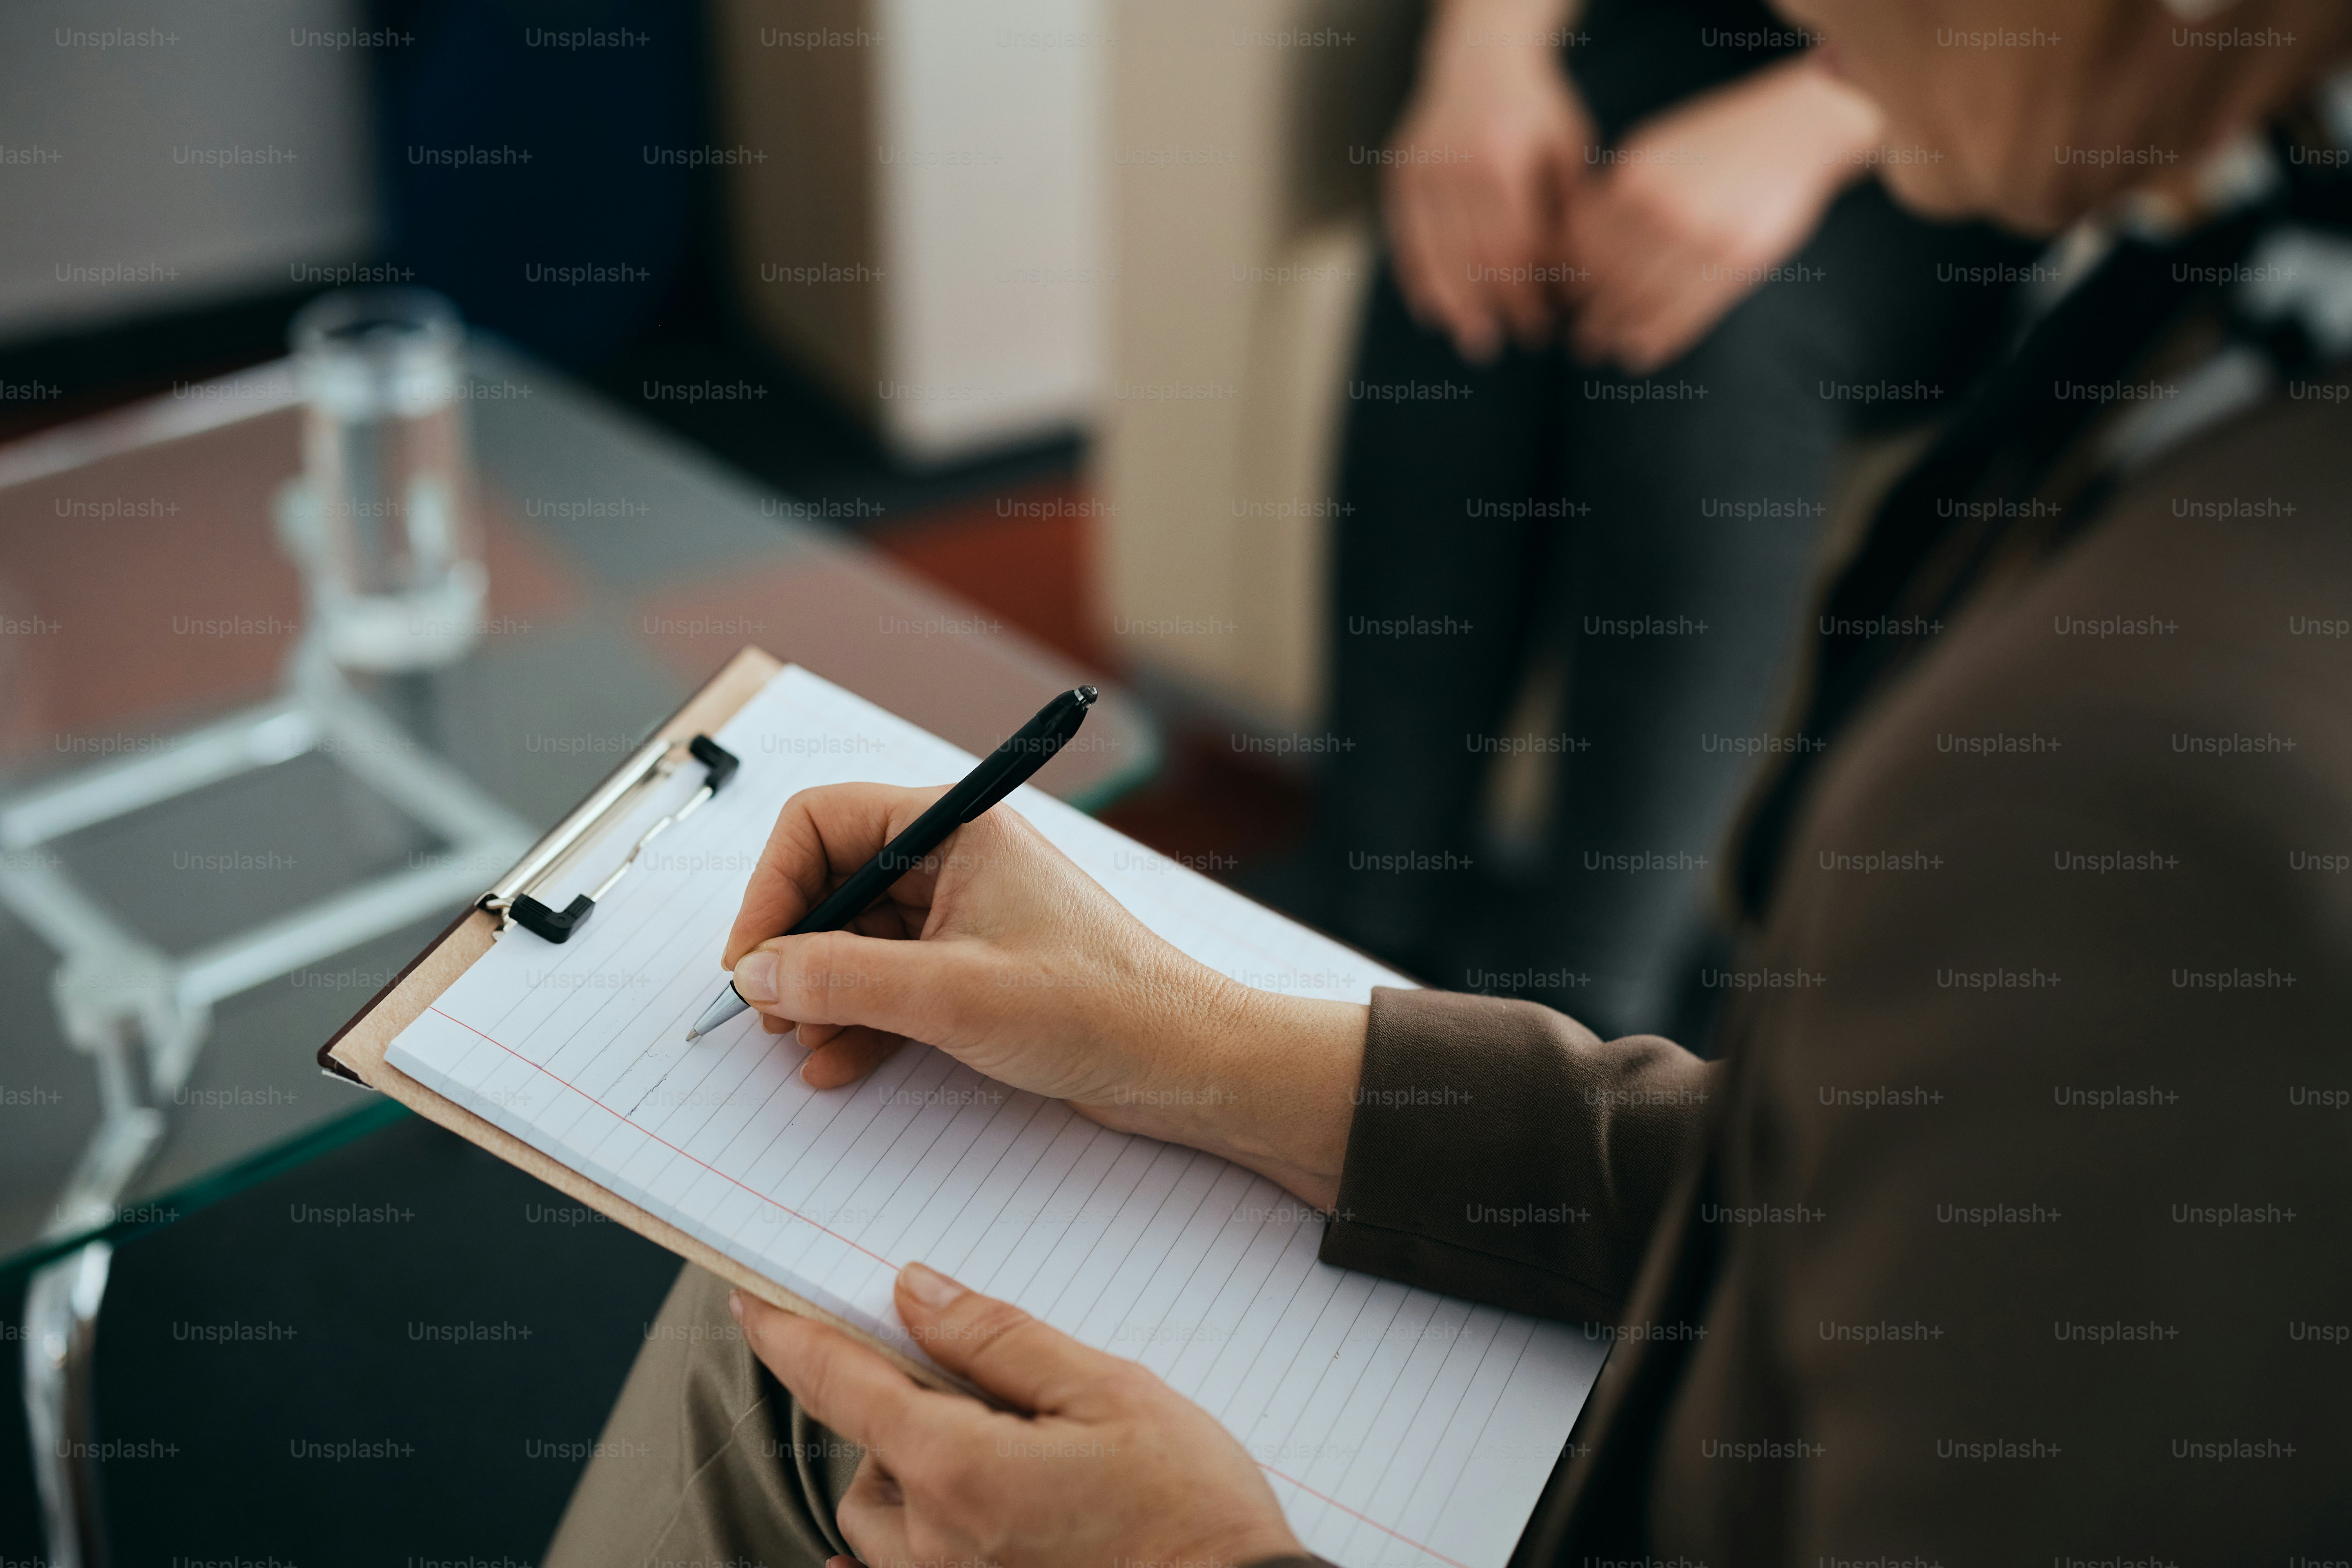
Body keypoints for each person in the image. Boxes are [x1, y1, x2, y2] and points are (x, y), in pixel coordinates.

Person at [546, 1, 2352, 1563]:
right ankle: (1379, 892)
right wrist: (1188, 1032)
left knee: (775, 1360)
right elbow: (1810, 1190)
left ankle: (1561, 937)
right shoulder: (2234, 364)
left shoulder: (2139, 790)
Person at [1305, 0, 2040, 1039]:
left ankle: (1594, 1009)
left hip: (1948, 121)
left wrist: (1833, 110)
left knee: (1713, 349)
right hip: (1666, 37)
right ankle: (1361, 918)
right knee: (1476, 221)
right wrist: (1484, 58)